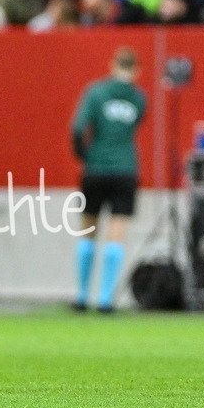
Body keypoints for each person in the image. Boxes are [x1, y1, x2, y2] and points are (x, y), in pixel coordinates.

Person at [70, 47, 147, 312]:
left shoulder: (96, 92)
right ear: (136, 70)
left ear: (113, 64)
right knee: (116, 234)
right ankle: (105, 299)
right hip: (126, 169)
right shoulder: (139, 98)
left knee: (88, 231)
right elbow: (135, 126)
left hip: (96, 168)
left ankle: (82, 297)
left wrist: (84, 155)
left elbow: (78, 128)